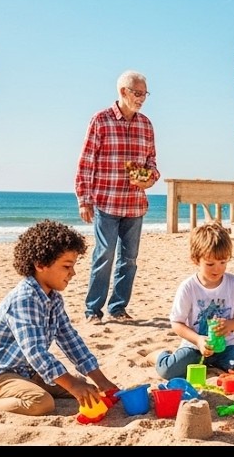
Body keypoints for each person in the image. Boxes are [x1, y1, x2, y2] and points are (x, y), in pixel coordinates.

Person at [0, 221, 118, 416]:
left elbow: (70, 340)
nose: (72, 273)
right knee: (41, 402)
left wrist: (101, 380)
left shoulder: (54, 299)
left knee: (84, 386)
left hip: (23, 371)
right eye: (67, 266)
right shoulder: (25, 299)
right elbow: (35, 352)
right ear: (40, 264)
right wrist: (71, 384)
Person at [75, 70, 159, 325]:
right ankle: (93, 310)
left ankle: (118, 307)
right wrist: (83, 199)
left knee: (129, 260)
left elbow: (152, 162)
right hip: (106, 202)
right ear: (123, 92)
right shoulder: (100, 120)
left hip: (135, 204)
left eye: (145, 93)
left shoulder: (146, 124)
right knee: (104, 255)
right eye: (138, 93)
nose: (142, 98)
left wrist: (150, 178)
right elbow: (86, 162)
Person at [154, 221, 234, 380]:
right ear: (196, 260)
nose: (217, 268)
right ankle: (157, 355)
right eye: (210, 264)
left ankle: (216, 364)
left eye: (223, 262)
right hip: (195, 347)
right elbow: (176, 323)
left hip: (226, 347)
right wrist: (198, 340)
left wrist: (230, 324)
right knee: (168, 371)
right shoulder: (188, 287)